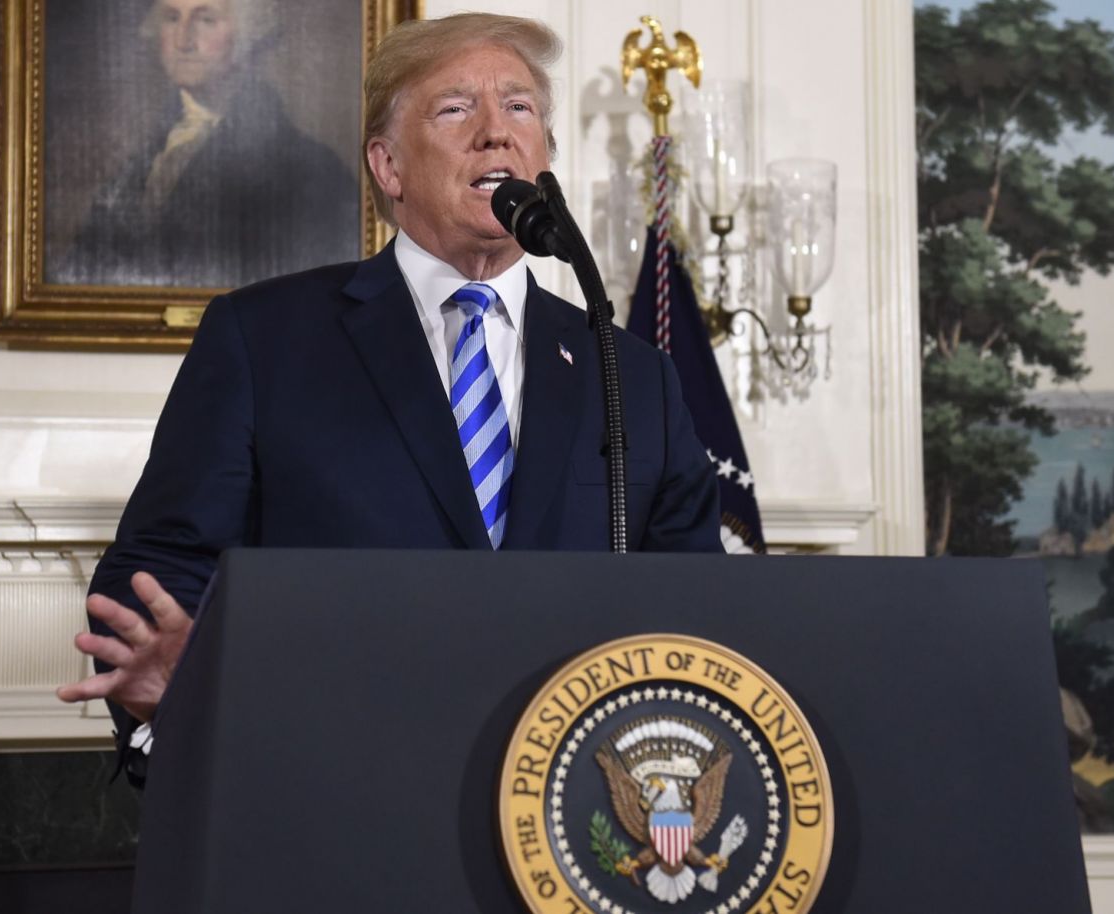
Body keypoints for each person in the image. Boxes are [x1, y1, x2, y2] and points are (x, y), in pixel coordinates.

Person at [55, 13, 720, 755]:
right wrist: (173, 695)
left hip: (568, 812)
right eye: (456, 107)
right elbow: (162, 570)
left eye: (520, 107)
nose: (496, 131)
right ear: (388, 167)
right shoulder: (263, 341)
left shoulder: (632, 375)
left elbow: (700, 615)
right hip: (335, 782)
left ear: (545, 159)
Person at [55, 0, 358, 289]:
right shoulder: (143, 161)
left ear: (249, 34)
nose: (183, 41)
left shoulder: (311, 171)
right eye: (172, 18)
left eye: (205, 20)